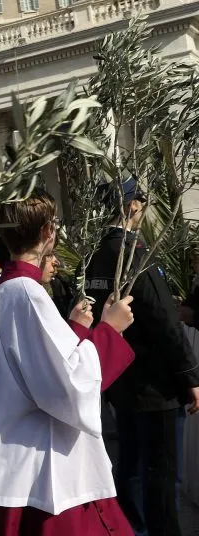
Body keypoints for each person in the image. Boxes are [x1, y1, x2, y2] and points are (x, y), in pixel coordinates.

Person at [0, 188, 136, 535]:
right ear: (48, 231)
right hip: (44, 463)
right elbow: (67, 387)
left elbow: (45, 366)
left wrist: (81, 329)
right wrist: (110, 331)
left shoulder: (5, 290)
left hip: (22, 454)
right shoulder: (26, 294)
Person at [84, 179, 199, 536]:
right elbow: (165, 322)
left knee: (130, 467)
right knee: (162, 477)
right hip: (155, 386)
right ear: (132, 206)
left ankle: (130, 529)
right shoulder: (134, 252)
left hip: (121, 380)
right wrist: (191, 377)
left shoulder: (97, 255)